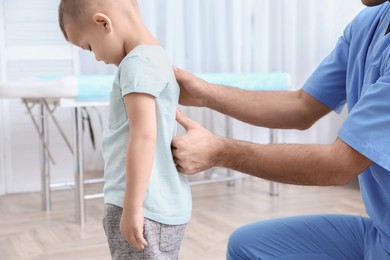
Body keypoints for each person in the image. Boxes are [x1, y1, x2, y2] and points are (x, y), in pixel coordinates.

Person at [172, 0, 390, 259]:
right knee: (248, 246)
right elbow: (302, 106)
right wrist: (204, 93)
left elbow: (338, 164)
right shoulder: (370, 22)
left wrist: (220, 152)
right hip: (381, 233)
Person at [58, 0, 192, 259]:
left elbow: (142, 137)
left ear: (103, 22)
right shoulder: (157, 57)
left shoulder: (136, 64)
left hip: (141, 204)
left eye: (89, 47)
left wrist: (132, 208)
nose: (96, 56)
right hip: (159, 203)